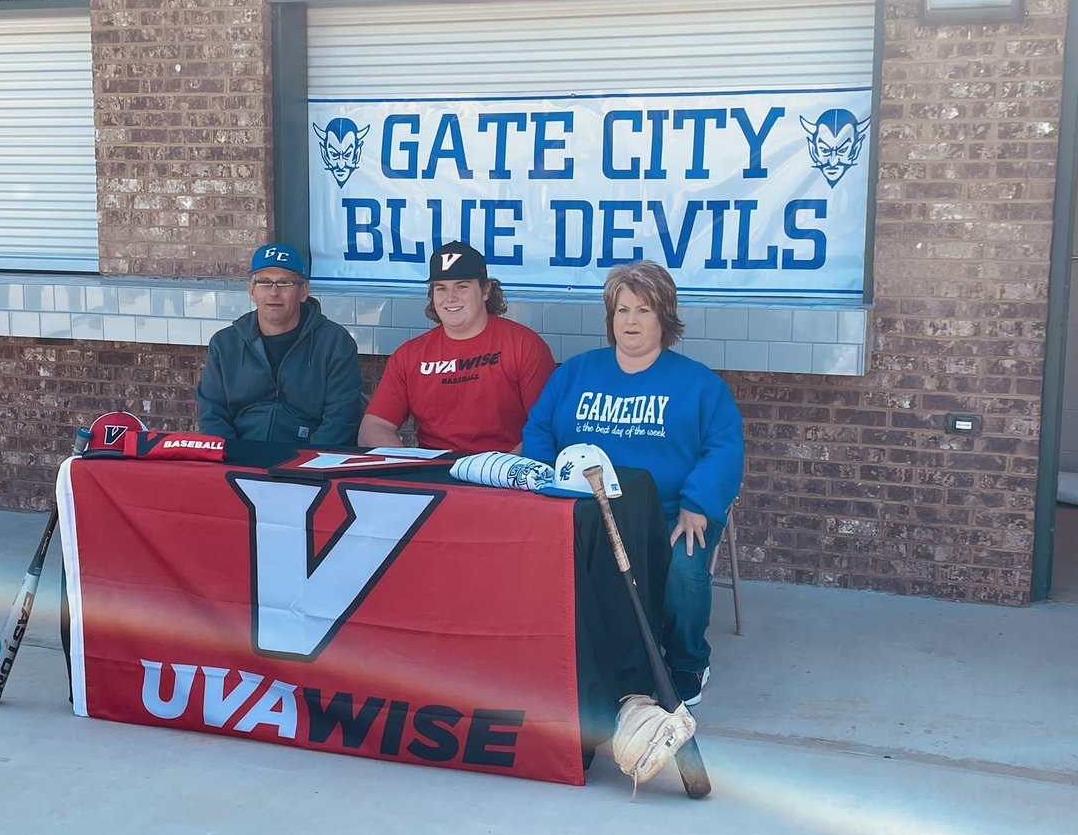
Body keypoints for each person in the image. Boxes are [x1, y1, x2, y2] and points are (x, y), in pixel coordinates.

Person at [522, 259, 743, 706]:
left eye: (643, 310)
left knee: (683, 568)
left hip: (670, 511)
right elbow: (538, 430)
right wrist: (546, 482)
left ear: (664, 317)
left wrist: (697, 502)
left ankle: (686, 661)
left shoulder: (700, 384)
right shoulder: (575, 374)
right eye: (622, 310)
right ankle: (581, 654)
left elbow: (724, 448)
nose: (631, 321)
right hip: (585, 510)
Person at [359, 240, 555, 454]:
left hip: (503, 474)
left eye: (462, 286)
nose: (450, 298)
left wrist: (499, 473)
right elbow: (373, 428)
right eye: (441, 288)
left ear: (485, 290)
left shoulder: (524, 346)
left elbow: (546, 428)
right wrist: (412, 465)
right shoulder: (409, 355)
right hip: (434, 475)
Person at [197, 243, 363, 445]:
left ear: (303, 292)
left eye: (284, 283)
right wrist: (231, 456)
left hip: (309, 463)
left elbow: (341, 419)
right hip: (239, 458)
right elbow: (212, 414)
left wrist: (305, 466)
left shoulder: (335, 343)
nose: (274, 292)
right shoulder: (225, 344)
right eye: (264, 282)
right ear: (251, 291)